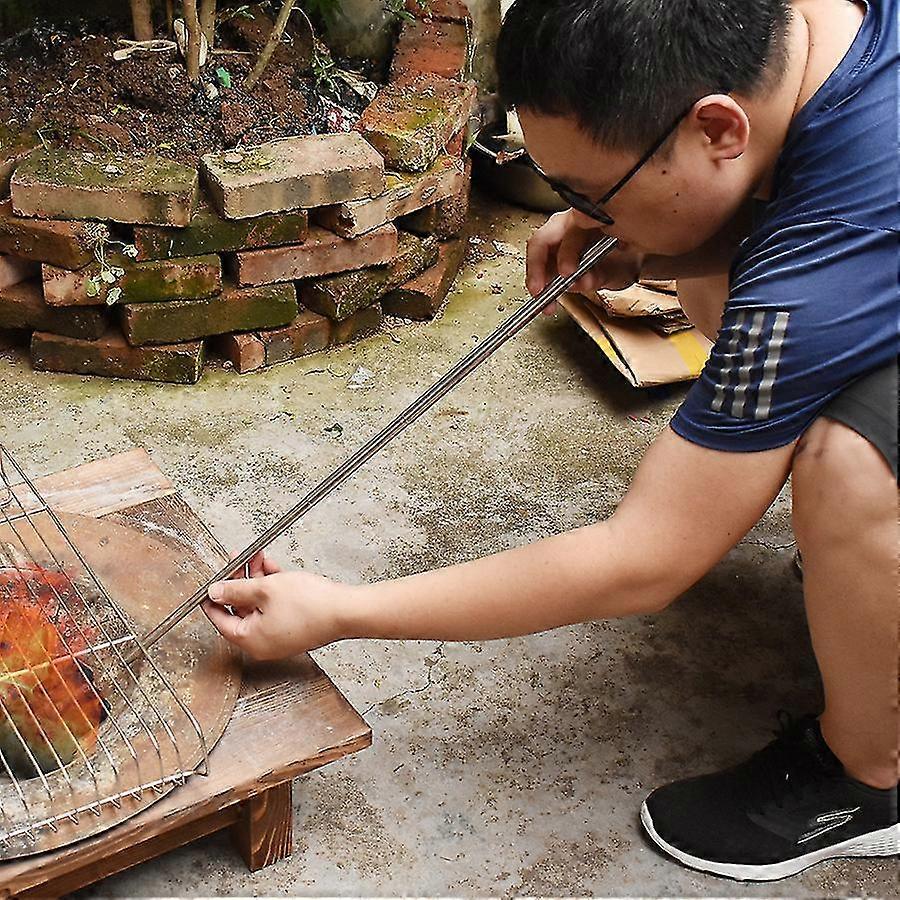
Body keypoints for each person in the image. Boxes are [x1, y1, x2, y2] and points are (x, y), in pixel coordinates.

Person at [203, 0, 898, 881]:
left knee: (854, 464)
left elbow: (646, 559)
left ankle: (871, 776)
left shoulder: (838, 241)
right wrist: (636, 224)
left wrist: (343, 612)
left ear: (719, 129)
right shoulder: (811, 37)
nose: (578, 216)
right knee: (720, 279)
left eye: (592, 192)